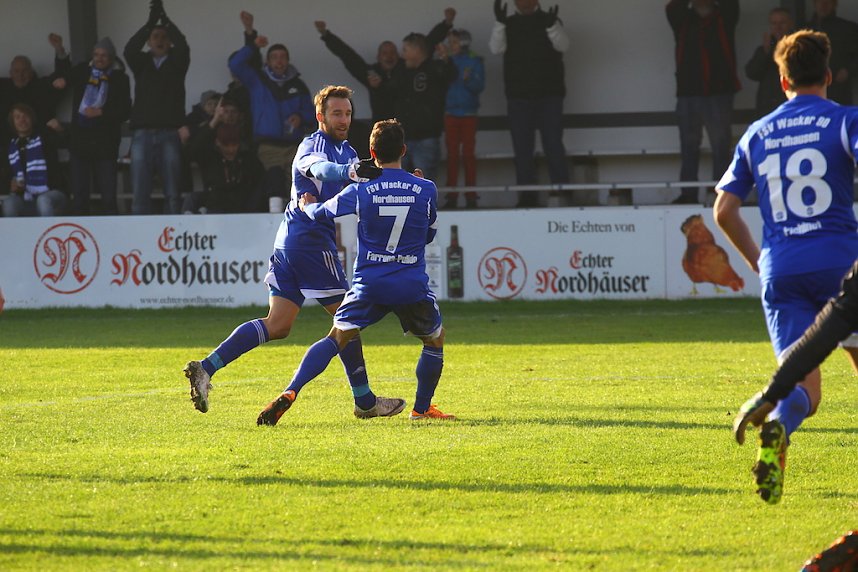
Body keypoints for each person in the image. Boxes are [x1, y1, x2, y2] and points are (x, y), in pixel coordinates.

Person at [184, 85, 404, 420]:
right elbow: (318, 169)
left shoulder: (348, 152)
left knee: (278, 324)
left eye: (347, 113)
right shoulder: (312, 145)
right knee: (348, 322)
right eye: (336, 113)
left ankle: (206, 367)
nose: (343, 119)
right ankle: (365, 401)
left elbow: (361, 187)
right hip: (310, 242)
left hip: (290, 242)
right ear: (321, 116)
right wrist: (349, 172)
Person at [713, 30, 858, 505]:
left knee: (803, 389)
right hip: (841, 262)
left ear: (782, 81)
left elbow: (724, 209)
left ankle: (779, 426)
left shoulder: (757, 132)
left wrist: (759, 263)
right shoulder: (844, 121)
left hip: (784, 270)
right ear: (829, 76)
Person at [257, 119, 455, 425]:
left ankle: (291, 391)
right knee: (435, 339)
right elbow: (428, 235)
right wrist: (418, 186)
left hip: (369, 284)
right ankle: (421, 409)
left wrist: (306, 204)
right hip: (410, 284)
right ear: (404, 150)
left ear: (371, 153)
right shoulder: (425, 188)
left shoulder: (361, 189)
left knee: (337, 337)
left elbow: (322, 212)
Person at [733, 260, 858, 446]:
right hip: (836, 262)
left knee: (806, 386)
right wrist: (774, 392)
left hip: (783, 266)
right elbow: (839, 319)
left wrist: (774, 392)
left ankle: (781, 423)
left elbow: (834, 324)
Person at [230, 10, 315, 210]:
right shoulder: (257, 80)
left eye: (282, 57)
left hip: (294, 145)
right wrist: (253, 44)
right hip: (267, 146)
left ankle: (297, 225)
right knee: (274, 180)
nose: (279, 61)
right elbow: (235, 64)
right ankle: (273, 222)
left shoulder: (298, 84)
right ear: (267, 61)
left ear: (288, 60)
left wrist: (300, 118)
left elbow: (312, 116)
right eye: (274, 57)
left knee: (297, 186)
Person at [489, 0, 570, 208]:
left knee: (553, 144)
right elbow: (495, 49)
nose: (524, 2)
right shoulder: (508, 23)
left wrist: (552, 27)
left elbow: (564, 45)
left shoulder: (550, 19)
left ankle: (562, 192)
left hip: (549, 95)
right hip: (518, 96)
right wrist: (499, 23)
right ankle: (527, 196)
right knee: (522, 149)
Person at [313, 9, 455, 123]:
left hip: (408, 128)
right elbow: (349, 57)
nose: (389, 56)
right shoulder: (372, 74)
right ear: (378, 57)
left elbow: (425, 45)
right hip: (382, 130)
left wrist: (446, 24)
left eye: (393, 52)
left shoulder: (406, 68)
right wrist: (326, 35)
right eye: (385, 53)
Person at [666, 0, 740, 205]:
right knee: (689, 146)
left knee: (720, 146)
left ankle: (722, 194)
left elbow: (732, 4)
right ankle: (688, 194)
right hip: (689, 93)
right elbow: (672, 7)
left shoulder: (724, 16)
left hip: (719, 92)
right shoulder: (682, 19)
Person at [123, 0, 190, 214]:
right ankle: (138, 232)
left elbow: (183, 45)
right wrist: (150, 23)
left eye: (164, 38)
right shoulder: (141, 63)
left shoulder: (177, 63)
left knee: (172, 190)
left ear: (169, 42)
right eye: (155, 37)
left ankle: (174, 232)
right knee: (140, 189)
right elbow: (129, 49)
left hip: (169, 132)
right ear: (149, 42)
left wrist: (166, 22)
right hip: (142, 133)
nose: (160, 40)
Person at [54, 36, 131, 215]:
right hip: (80, 143)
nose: (99, 58)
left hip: (105, 144)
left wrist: (101, 112)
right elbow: (65, 74)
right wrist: (60, 52)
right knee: (79, 195)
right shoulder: (83, 71)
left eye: (104, 55)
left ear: (111, 58)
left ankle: (111, 236)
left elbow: (125, 110)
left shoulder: (120, 78)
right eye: (96, 54)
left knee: (108, 197)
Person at [0, 36, 68, 186]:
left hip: (42, 149)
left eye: (24, 71)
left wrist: (59, 50)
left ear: (31, 72)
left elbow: (63, 77)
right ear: (11, 72)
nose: (20, 75)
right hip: (7, 149)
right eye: (16, 71)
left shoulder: (42, 87)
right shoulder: (3, 89)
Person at [393, 32, 457, 183]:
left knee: (424, 183)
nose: (403, 55)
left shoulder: (435, 69)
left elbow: (451, 75)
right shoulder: (402, 72)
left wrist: (447, 60)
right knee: (399, 184)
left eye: (406, 50)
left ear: (417, 50)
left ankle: (426, 208)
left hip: (426, 139)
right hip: (402, 138)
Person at [182, 102, 263, 214]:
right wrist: (214, 120)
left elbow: (258, 182)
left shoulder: (248, 158)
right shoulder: (210, 156)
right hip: (215, 206)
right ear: (218, 143)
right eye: (226, 144)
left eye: (234, 144)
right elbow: (194, 149)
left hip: (242, 208)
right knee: (192, 198)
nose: (230, 149)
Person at [442, 28, 485, 210]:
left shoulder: (475, 60)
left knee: (468, 155)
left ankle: (471, 195)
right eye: (449, 42)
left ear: (464, 43)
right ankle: (452, 196)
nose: (451, 46)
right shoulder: (447, 61)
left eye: (454, 42)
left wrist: (468, 80)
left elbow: (479, 86)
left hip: (468, 114)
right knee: (452, 155)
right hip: (450, 113)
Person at [3, 103, 67, 217]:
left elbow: (65, 143)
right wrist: (12, 185)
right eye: (17, 117)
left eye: (25, 116)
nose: (22, 120)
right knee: (9, 203)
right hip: (26, 198)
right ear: (13, 123)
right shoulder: (11, 148)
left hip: (52, 194)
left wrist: (60, 130)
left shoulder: (45, 137)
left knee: (43, 200)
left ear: (32, 118)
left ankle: (48, 234)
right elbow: (7, 176)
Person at [808, 0, 858, 106]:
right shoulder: (805, 29)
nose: (823, 5)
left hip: (838, 87)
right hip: (811, 85)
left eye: (828, 2)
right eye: (820, 2)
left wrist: (848, 70)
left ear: (834, 5)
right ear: (814, 4)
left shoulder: (848, 28)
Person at [745, 8, 792, 117]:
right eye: (774, 23)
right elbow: (752, 73)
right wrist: (765, 52)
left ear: (790, 24)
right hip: (768, 107)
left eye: (782, 23)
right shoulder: (764, 49)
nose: (778, 27)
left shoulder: (800, 46)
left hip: (791, 104)